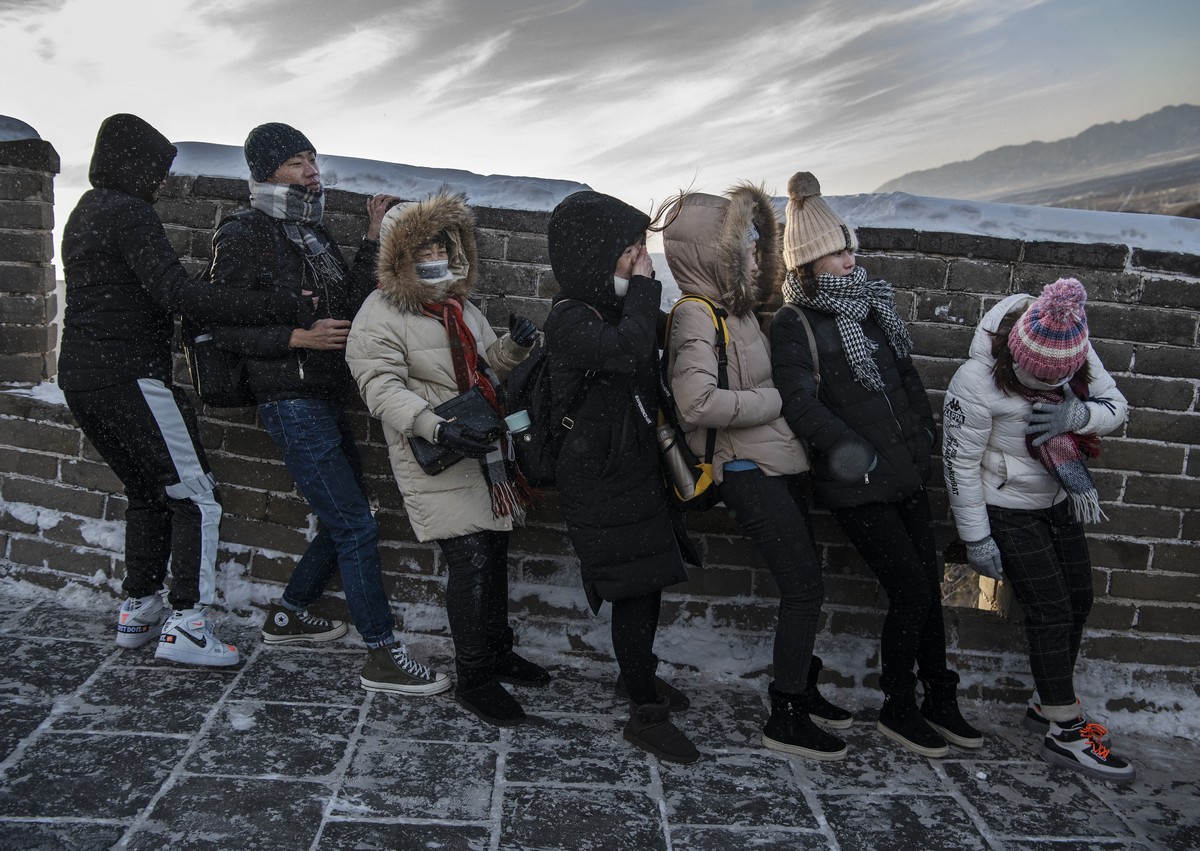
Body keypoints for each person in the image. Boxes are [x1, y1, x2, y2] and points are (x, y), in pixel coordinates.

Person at [59, 113, 316, 666]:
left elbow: (141, 291)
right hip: (130, 375)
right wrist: (284, 306)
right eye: (155, 170)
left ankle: (139, 609)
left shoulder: (85, 213)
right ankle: (188, 625)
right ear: (135, 165)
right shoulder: (130, 213)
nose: (159, 182)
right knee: (196, 496)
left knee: (148, 493)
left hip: (80, 377)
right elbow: (178, 294)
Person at [208, 122, 448, 695]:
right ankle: (382, 654)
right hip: (288, 398)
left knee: (351, 515)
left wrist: (371, 235)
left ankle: (291, 612)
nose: (311, 172)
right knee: (356, 524)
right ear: (265, 172)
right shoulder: (244, 234)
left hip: (322, 393)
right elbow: (217, 322)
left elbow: (344, 302)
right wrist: (295, 339)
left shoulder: (308, 231)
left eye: (312, 160)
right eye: (295, 163)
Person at [770, 172, 982, 757]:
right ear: (808, 264)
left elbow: (905, 381)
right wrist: (851, 451)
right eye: (836, 251)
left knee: (931, 593)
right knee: (911, 591)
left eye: (848, 247)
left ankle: (940, 696)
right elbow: (799, 402)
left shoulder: (870, 308)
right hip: (857, 484)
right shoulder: (794, 322)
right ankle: (898, 705)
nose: (848, 259)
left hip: (906, 473)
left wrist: (921, 439)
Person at [661, 185, 852, 760]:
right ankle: (785, 714)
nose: (752, 253)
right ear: (712, 254)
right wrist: (776, 403)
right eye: (742, 244)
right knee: (803, 588)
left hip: (773, 462)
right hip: (744, 470)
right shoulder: (695, 315)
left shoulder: (735, 311)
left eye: (753, 242)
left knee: (806, 583)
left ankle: (804, 687)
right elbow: (695, 404)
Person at [345, 190, 548, 726]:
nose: (434, 254)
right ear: (398, 256)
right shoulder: (379, 313)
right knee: (471, 559)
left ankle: (498, 652)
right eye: (422, 247)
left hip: (481, 448)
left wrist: (515, 347)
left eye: (443, 244)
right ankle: (475, 676)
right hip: (435, 449)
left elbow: (488, 368)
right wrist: (438, 426)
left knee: (495, 552)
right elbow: (380, 387)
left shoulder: (460, 307)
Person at [942, 278, 1134, 782]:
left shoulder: (1072, 341)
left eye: (1061, 380)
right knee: (1050, 609)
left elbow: (1116, 407)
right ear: (1014, 355)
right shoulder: (976, 381)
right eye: (1036, 378)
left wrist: (1078, 412)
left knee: (1080, 599)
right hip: (1005, 507)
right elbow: (958, 467)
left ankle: (1045, 704)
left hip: (1058, 496)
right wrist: (976, 539)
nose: (1049, 385)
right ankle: (1065, 730)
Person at [544, 190, 699, 764]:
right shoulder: (570, 319)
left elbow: (662, 337)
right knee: (633, 590)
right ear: (595, 257)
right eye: (631, 250)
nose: (641, 260)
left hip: (630, 466)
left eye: (642, 250)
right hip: (597, 475)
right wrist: (645, 286)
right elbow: (631, 351)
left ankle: (639, 679)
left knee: (649, 580)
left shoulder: (612, 308)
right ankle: (644, 714)